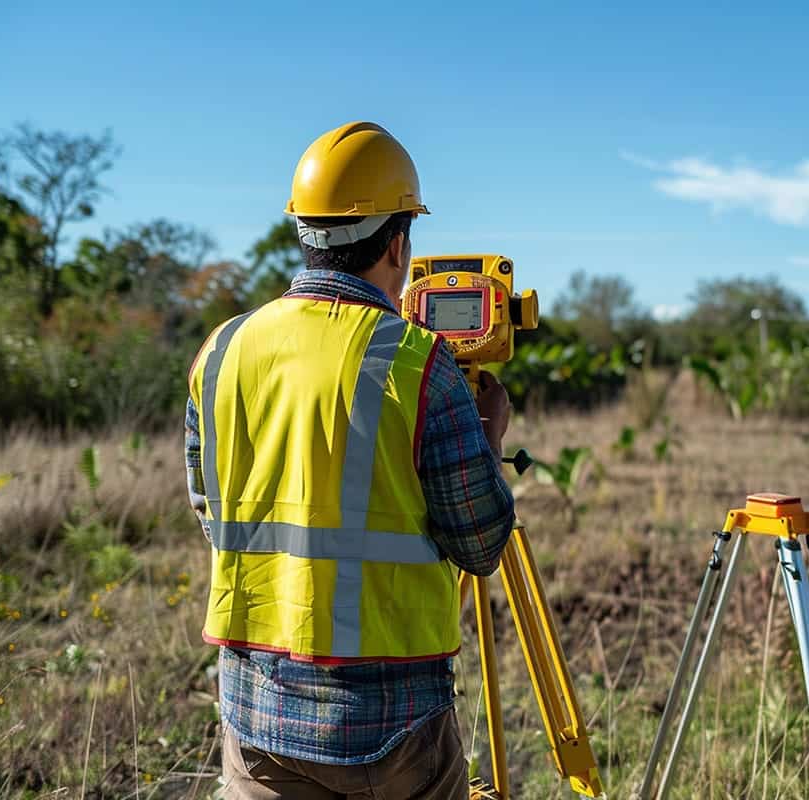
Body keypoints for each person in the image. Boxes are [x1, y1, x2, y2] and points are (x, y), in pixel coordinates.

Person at [185, 121, 516, 799]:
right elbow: (480, 543)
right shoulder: (420, 365)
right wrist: (487, 438)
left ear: (304, 233)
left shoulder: (222, 351)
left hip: (255, 717)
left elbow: (211, 510)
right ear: (397, 243)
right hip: (389, 728)